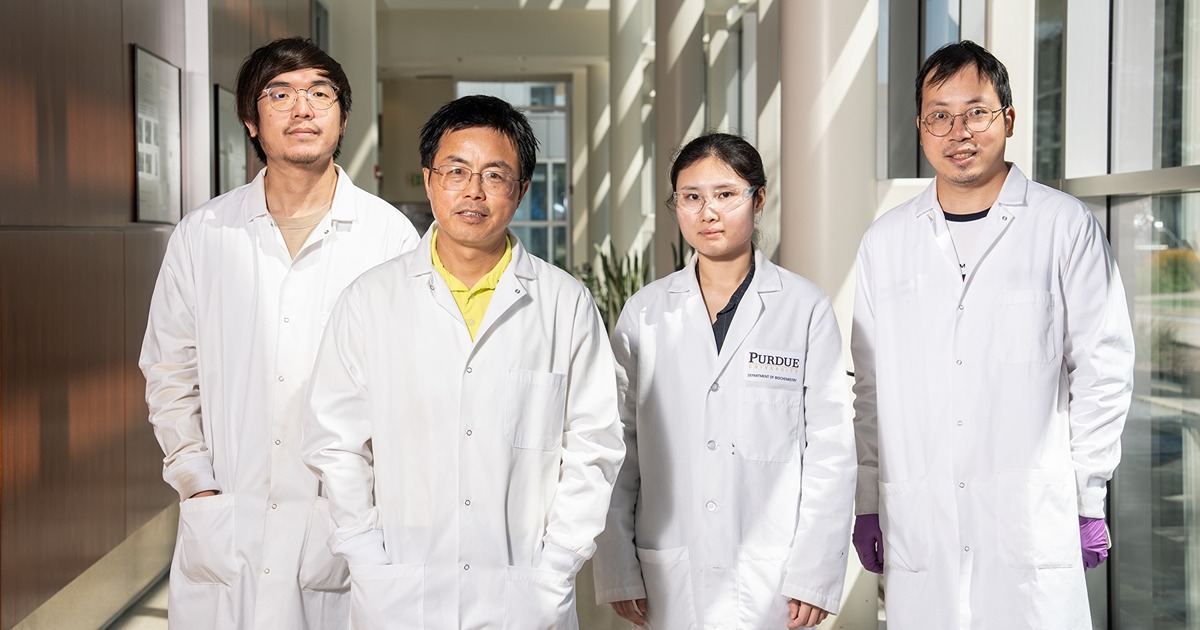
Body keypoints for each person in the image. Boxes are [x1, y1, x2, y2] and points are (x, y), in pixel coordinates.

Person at [302, 94, 625, 629]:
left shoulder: (564, 303)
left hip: (526, 589)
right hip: (400, 586)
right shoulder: (369, 299)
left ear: (521, 190)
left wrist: (559, 560)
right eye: (456, 171)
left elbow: (595, 445)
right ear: (429, 181)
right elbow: (335, 443)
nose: (474, 191)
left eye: (495, 175)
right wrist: (363, 551)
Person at [850, 40, 1134, 628]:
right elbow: (870, 388)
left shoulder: (1063, 225)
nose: (959, 132)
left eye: (976, 112)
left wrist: (1088, 495)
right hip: (922, 524)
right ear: (920, 129)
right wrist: (868, 497)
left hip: (1030, 524)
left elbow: (1103, 370)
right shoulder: (886, 242)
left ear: (1008, 118)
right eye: (940, 115)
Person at [139, 37, 419, 629]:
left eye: (321, 93)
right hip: (226, 519)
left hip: (343, 523)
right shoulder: (203, 234)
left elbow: (411, 387)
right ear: (251, 119)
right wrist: (196, 482)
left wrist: (368, 502)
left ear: (343, 116)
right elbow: (169, 372)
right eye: (280, 94)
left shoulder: (389, 237)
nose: (303, 108)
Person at [592, 133, 857, 629]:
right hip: (671, 569)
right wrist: (618, 567)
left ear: (759, 199)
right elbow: (617, 447)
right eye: (691, 197)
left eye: (725, 194)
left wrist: (815, 571)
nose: (708, 212)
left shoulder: (804, 308)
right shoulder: (646, 312)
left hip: (772, 575)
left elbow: (831, 450)